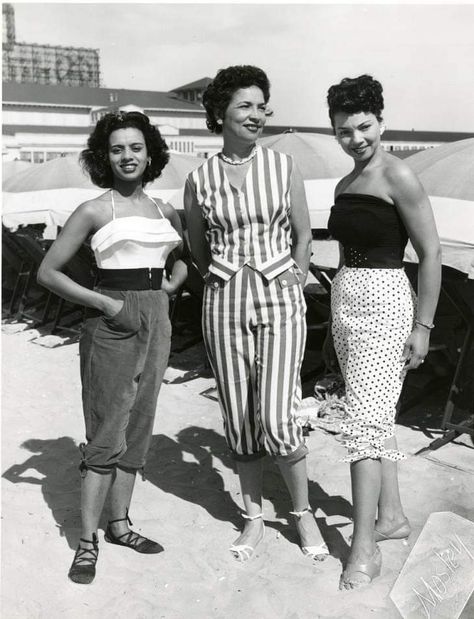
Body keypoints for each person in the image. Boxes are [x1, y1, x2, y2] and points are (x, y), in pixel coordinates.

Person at [184, 65, 328, 563]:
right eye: (245, 105)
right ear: (220, 111)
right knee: (241, 417)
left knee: (277, 415)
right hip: (222, 302)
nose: (256, 114)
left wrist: (295, 276)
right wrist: (223, 278)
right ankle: (253, 517)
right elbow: (197, 247)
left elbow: (305, 234)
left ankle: (303, 512)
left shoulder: (283, 166)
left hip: (280, 299)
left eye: (261, 105)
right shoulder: (199, 177)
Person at [37, 111, 187, 584]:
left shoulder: (166, 211)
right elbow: (49, 272)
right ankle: (86, 543)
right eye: (117, 148)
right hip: (111, 321)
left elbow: (179, 262)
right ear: (105, 157)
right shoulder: (95, 209)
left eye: (136, 147)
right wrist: (107, 303)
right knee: (106, 430)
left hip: (156, 321)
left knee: (139, 428)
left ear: (151, 153)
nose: (128, 156)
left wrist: (168, 289)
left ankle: (120, 525)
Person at [323, 75, 441, 589]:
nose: (356, 139)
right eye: (344, 131)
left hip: (387, 305)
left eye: (364, 127)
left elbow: (432, 254)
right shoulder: (344, 185)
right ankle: (390, 516)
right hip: (346, 301)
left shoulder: (400, 177)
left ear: (381, 122)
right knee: (373, 416)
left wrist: (424, 326)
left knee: (362, 425)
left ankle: (364, 546)